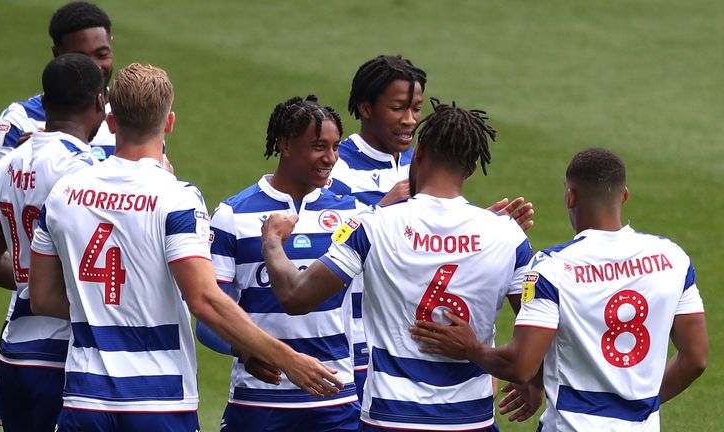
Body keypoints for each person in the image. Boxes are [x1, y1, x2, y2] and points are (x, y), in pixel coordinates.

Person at [28, 64, 341, 432]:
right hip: (158, 398)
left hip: (85, 396)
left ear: (111, 121)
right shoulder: (177, 197)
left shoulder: (63, 193)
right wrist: (290, 360)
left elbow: (42, 298)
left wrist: (103, 312)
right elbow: (205, 301)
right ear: (170, 122)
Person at [261, 99, 534, 431]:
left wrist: (273, 243)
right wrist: (534, 382)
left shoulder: (373, 226)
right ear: (473, 168)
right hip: (471, 420)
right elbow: (536, 338)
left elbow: (295, 296)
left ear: (417, 154)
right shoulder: (508, 235)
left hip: (390, 419)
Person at [410, 147, 708, 431]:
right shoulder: (673, 259)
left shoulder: (552, 268)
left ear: (570, 196)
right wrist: (640, 406)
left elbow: (521, 364)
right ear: (625, 196)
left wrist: (472, 348)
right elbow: (695, 358)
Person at [327, 55, 535, 402]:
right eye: (397, 108)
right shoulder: (334, 167)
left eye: (416, 109)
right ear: (365, 108)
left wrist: (481, 232)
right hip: (351, 346)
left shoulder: (431, 157)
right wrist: (382, 208)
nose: (410, 120)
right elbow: (325, 259)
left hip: (419, 344)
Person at [195, 95, 364, 431]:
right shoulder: (233, 215)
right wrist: (247, 352)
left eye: (335, 147)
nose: (330, 158)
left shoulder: (351, 214)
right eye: (319, 146)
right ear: (285, 144)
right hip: (259, 401)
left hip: (335, 401)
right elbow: (209, 321)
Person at [0, 53, 106, 431]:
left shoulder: (9, 163)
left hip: (16, 351)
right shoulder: (87, 172)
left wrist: (30, 283)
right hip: (65, 356)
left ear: (44, 104)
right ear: (99, 102)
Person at [0, 1, 115, 176]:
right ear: (57, 55)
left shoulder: (133, 117)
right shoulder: (20, 120)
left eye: (102, 54)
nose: (93, 67)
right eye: (80, 57)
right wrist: (23, 166)